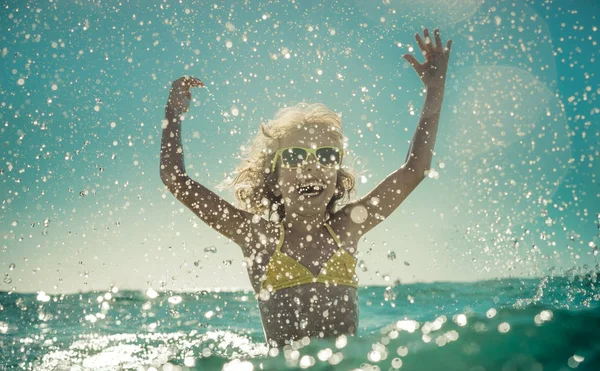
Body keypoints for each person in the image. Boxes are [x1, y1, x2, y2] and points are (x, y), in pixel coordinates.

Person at [160, 28, 452, 347]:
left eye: (326, 156)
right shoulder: (258, 237)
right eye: (296, 156)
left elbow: (415, 169)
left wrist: (434, 90)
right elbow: (176, 180)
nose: (312, 166)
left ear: (337, 175)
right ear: (274, 176)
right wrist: (173, 116)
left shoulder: (348, 228)